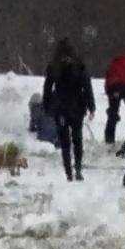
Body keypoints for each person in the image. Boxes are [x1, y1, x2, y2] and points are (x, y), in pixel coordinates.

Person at [42, 38, 96, 181]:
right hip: (77, 107)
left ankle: (68, 173)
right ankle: (78, 168)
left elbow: (47, 88)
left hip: (61, 108)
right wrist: (91, 106)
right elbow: (87, 86)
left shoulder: (54, 66)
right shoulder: (79, 65)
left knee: (64, 142)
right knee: (77, 139)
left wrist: (46, 106)